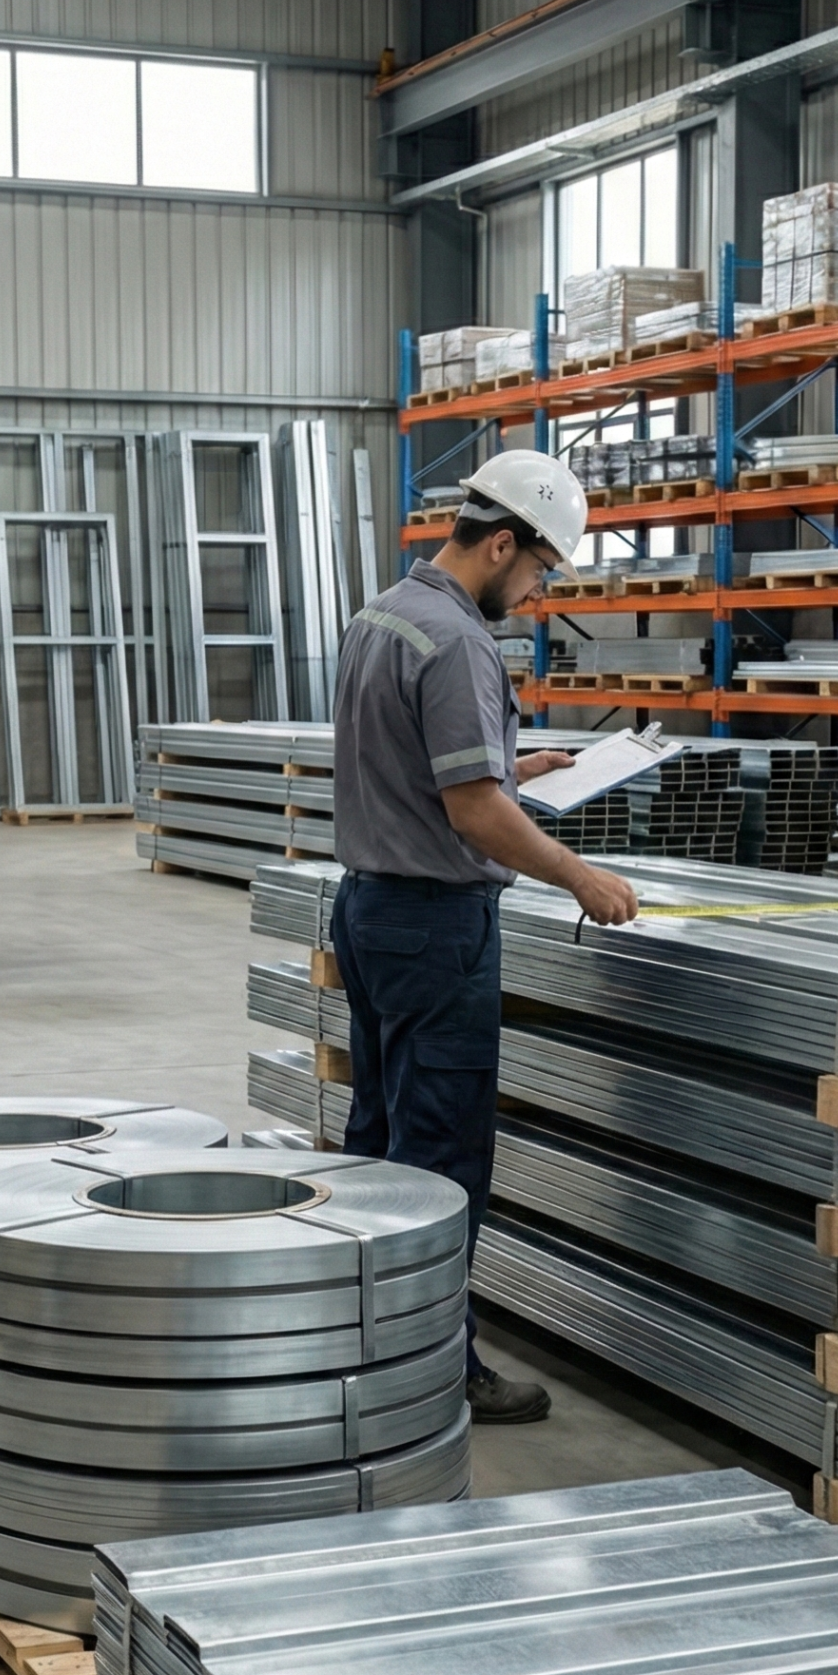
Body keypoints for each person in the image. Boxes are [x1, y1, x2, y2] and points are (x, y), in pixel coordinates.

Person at [330, 448, 640, 1424]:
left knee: (378, 1144)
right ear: (501, 542)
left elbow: (413, 760)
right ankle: (434, 1368)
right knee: (439, 1158)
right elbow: (470, 812)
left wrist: (512, 761)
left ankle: (358, 1345)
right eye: (540, 569)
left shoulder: (383, 614)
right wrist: (579, 875)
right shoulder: (458, 641)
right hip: (435, 926)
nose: (538, 592)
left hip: (370, 911)